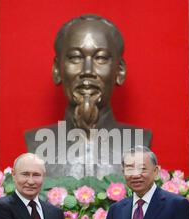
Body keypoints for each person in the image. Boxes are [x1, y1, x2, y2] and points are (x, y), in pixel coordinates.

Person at [25, 14, 152, 179]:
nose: (87, 71)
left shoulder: (139, 140)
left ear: (119, 71)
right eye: (75, 58)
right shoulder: (36, 141)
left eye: (100, 58)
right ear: (57, 69)